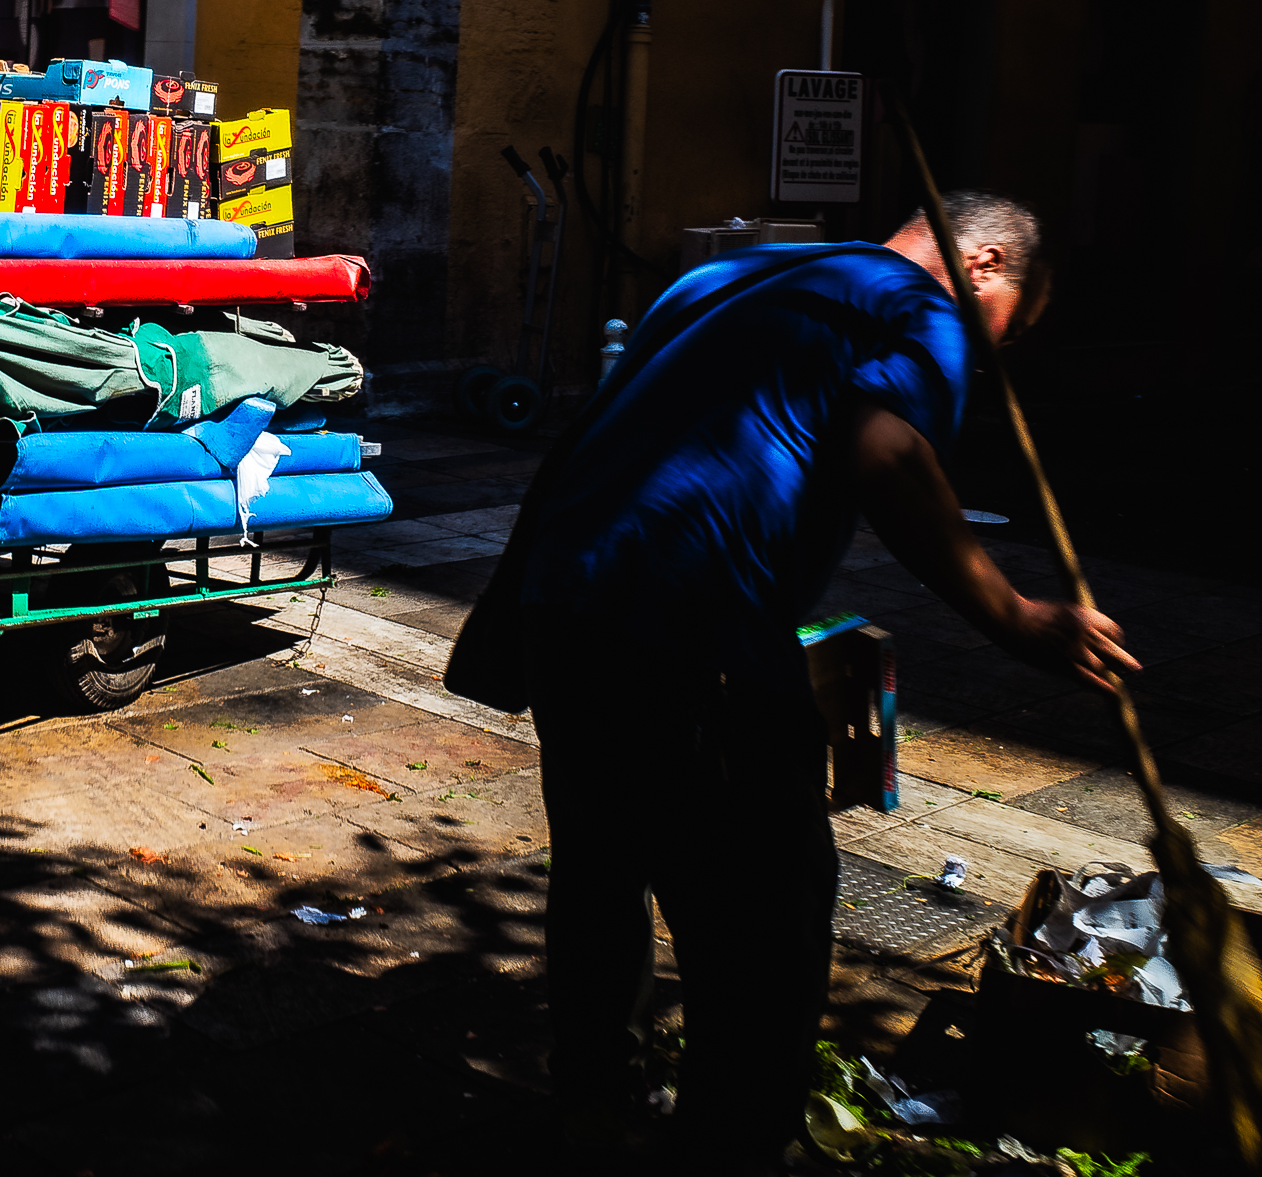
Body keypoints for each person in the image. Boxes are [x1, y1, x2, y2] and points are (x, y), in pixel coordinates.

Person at [446, 192, 1139, 1172]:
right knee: (766, 912)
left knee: (600, 868)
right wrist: (1014, 616)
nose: (987, 360)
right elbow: (882, 450)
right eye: (1004, 331)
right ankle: (728, 1145)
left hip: (565, 605)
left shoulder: (732, 275)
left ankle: (591, 1100)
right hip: (692, 621)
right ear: (981, 263)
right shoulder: (914, 306)